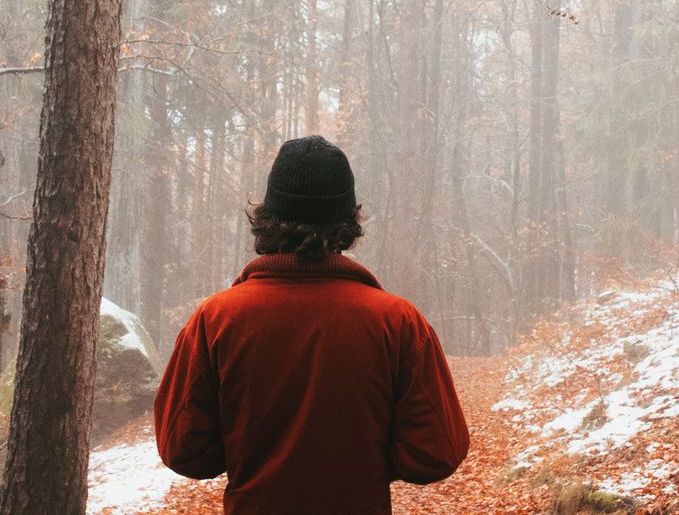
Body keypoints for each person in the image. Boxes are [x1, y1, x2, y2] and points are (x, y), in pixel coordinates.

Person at [153, 135, 469, 514]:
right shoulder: (396, 322)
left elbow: (183, 450)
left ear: (267, 215)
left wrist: (249, 449)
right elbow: (437, 452)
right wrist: (363, 458)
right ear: (348, 219)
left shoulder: (217, 319)